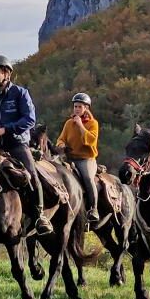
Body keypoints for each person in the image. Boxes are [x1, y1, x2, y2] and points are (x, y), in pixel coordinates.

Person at [0, 55, 52, 235]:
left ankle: (40, 216)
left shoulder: (20, 93)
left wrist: (5, 130)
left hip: (17, 144)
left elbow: (29, 119)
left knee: (32, 174)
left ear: (7, 73)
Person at [56, 92, 100, 224]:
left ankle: (94, 209)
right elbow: (61, 138)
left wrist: (81, 125)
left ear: (86, 108)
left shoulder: (93, 123)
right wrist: (61, 144)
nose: (76, 109)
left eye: (80, 107)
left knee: (87, 178)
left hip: (86, 159)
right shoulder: (69, 123)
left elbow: (91, 140)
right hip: (69, 158)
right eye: (75, 106)